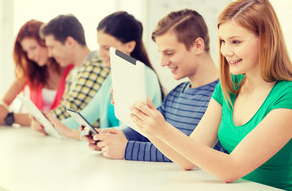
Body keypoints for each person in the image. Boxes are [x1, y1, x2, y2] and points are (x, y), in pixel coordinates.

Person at [130, 0, 292, 190]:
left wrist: (164, 130)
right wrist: (150, 127)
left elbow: (231, 169)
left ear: (266, 40)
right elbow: (187, 159)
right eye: (223, 41)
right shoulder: (230, 86)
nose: (225, 51)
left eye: (235, 42)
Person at [83, 9, 225, 161]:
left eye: (169, 53)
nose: (163, 63)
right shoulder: (177, 93)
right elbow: (148, 132)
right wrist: (111, 137)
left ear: (197, 45)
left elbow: (192, 152)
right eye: (161, 54)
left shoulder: (224, 95)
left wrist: (127, 149)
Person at [43, 11, 163, 140]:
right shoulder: (110, 79)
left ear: (130, 46)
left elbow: (132, 128)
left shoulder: (146, 77)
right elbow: (87, 116)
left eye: (106, 48)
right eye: (99, 46)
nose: (100, 54)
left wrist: (82, 134)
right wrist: (51, 125)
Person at [0, 19, 73, 126]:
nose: (30, 56)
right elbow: (5, 101)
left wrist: (9, 117)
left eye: (33, 48)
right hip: (34, 135)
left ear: (47, 42)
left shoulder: (71, 70)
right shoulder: (31, 71)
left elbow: (62, 118)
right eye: (26, 51)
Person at [30, 14, 110, 134]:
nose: (50, 54)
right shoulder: (73, 73)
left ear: (70, 42)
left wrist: (43, 120)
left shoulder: (95, 66)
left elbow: (71, 109)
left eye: (52, 47)